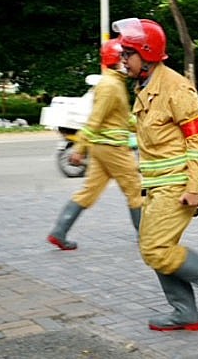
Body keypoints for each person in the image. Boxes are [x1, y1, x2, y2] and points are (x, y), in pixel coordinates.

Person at [114, 17, 198, 331]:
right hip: (157, 184)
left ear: (146, 54)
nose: (122, 60)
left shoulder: (176, 88)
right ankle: (184, 312)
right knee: (156, 247)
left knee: (156, 249)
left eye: (127, 53)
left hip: (177, 182)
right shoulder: (144, 86)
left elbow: (196, 141)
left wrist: (195, 185)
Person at [47, 39, 142, 251]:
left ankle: (59, 231)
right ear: (117, 60)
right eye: (125, 57)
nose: (129, 62)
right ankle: (145, 237)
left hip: (102, 148)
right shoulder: (110, 86)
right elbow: (95, 120)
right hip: (113, 148)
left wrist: (146, 127)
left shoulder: (113, 84)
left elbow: (122, 119)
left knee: (89, 192)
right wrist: (79, 149)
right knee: (135, 189)